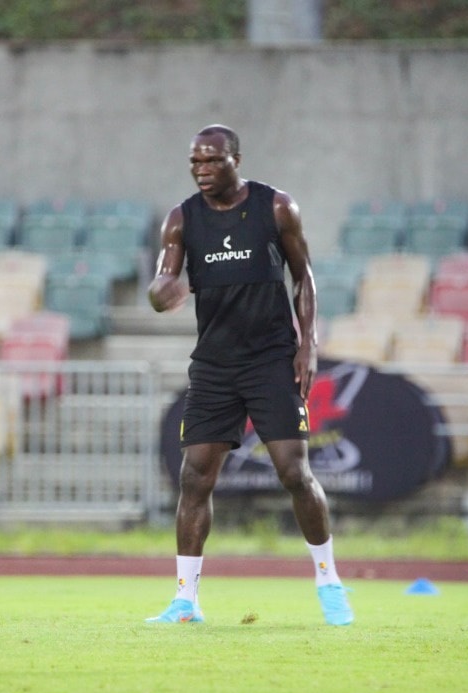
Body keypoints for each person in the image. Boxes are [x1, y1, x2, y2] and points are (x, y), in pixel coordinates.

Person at [145, 124, 353, 625]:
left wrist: (308, 344)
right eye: (195, 162)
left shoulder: (275, 207)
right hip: (214, 365)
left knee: (294, 472)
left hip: (270, 360)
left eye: (212, 161)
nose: (202, 170)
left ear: (236, 160)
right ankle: (185, 601)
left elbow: (303, 277)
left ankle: (328, 580)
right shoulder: (181, 219)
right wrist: (161, 293)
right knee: (194, 477)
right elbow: (162, 280)